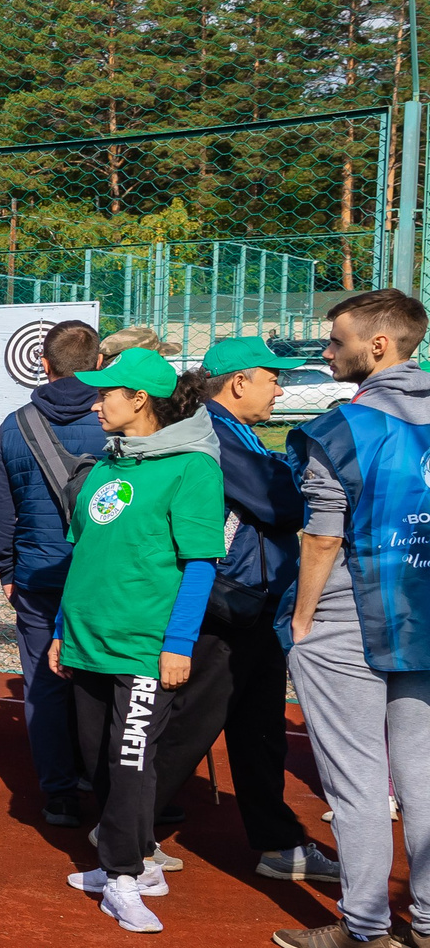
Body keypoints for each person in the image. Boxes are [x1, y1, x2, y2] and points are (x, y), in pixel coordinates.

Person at [272, 291, 430, 948]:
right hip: (421, 606)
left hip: (349, 615)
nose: (327, 352)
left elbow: (321, 537)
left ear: (378, 347)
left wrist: (301, 619)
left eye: (335, 341)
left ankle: (363, 926)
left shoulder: (346, 425)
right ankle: (425, 923)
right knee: (421, 773)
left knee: (358, 775)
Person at [48, 345, 224, 936]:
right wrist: (58, 631)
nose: (95, 404)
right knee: (100, 759)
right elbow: (84, 556)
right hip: (87, 640)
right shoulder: (105, 466)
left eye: (105, 394)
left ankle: (124, 873)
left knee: (130, 761)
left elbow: (200, 564)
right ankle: (122, 863)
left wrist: (178, 644)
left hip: (145, 645)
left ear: (139, 399)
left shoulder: (191, 467)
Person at [142, 338, 334, 880]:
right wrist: (291, 480)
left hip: (254, 602)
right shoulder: (214, 431)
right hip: (223, 606)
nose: (281, 386)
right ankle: (127, 834)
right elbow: (282, 503)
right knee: (188, 725)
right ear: (238, 381)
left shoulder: (235, 430)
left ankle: (277, 843)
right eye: (273, 377)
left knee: (259, 730)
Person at [0, 319, 107, 828]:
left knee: (44, 684)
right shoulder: (115, 418)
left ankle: (57, 795)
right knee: (107, 681)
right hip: (104, 576)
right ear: (98, 362)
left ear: (44, 364)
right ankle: (114, 790)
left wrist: (6, 569)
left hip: (38, 576)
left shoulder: (15, 425)